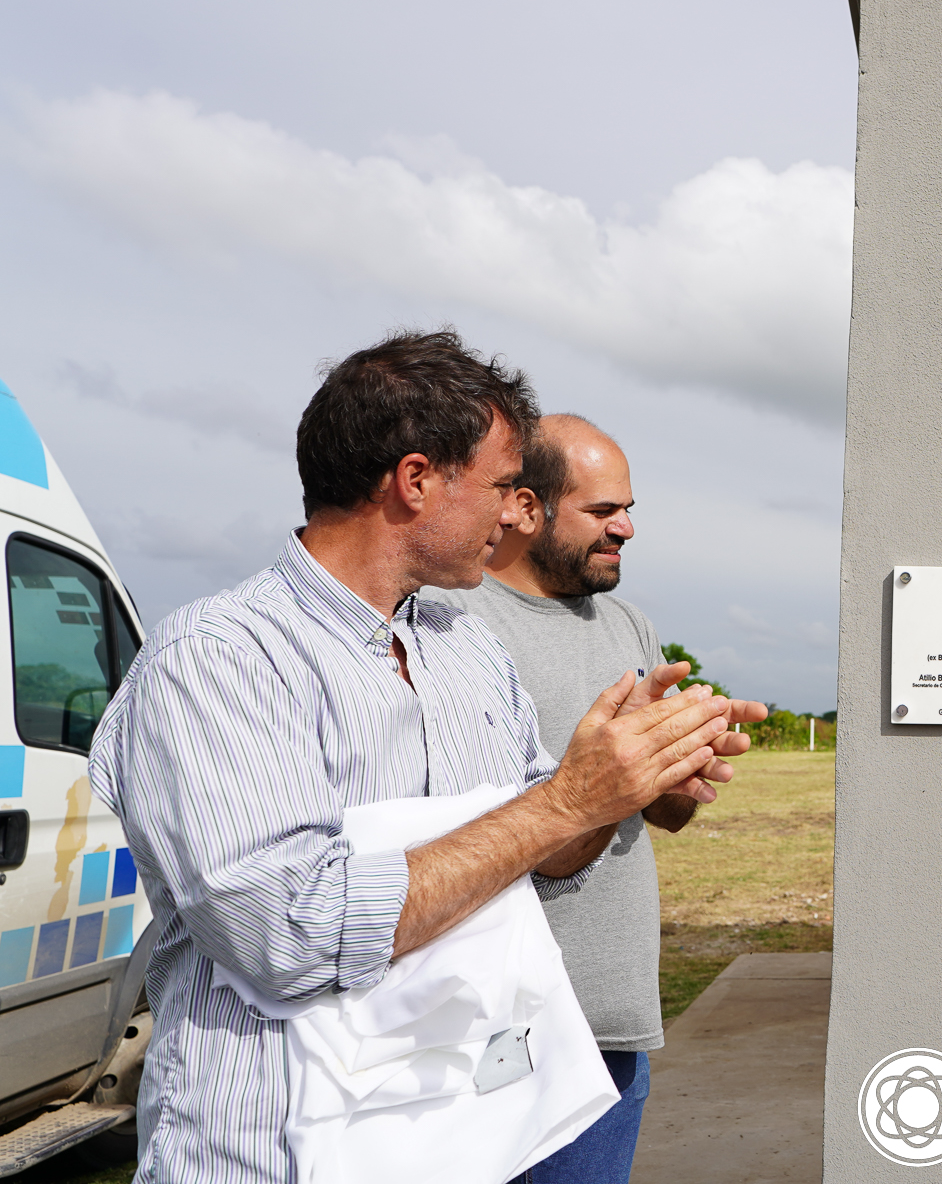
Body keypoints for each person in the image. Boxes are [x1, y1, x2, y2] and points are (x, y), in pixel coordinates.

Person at [87, 331, 756, 1184]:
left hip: (461, 1142)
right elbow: (289, 933)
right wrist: (563, 800)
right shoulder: (219, 657)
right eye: (503, 485)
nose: (514, 513)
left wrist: (618, 782)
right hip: (275, 1156)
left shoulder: (460, 646)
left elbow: (538, 858)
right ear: (414, 479)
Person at [426, 414, 712, 1184]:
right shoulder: (452, 621)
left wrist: (677, 778)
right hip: (487, 1030)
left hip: (611, 1032)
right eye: (603, 510)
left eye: (629, 509)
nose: (625, 528)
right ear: (527, 506)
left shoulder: (627, 625)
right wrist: (602, 787)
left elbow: (662, 813)